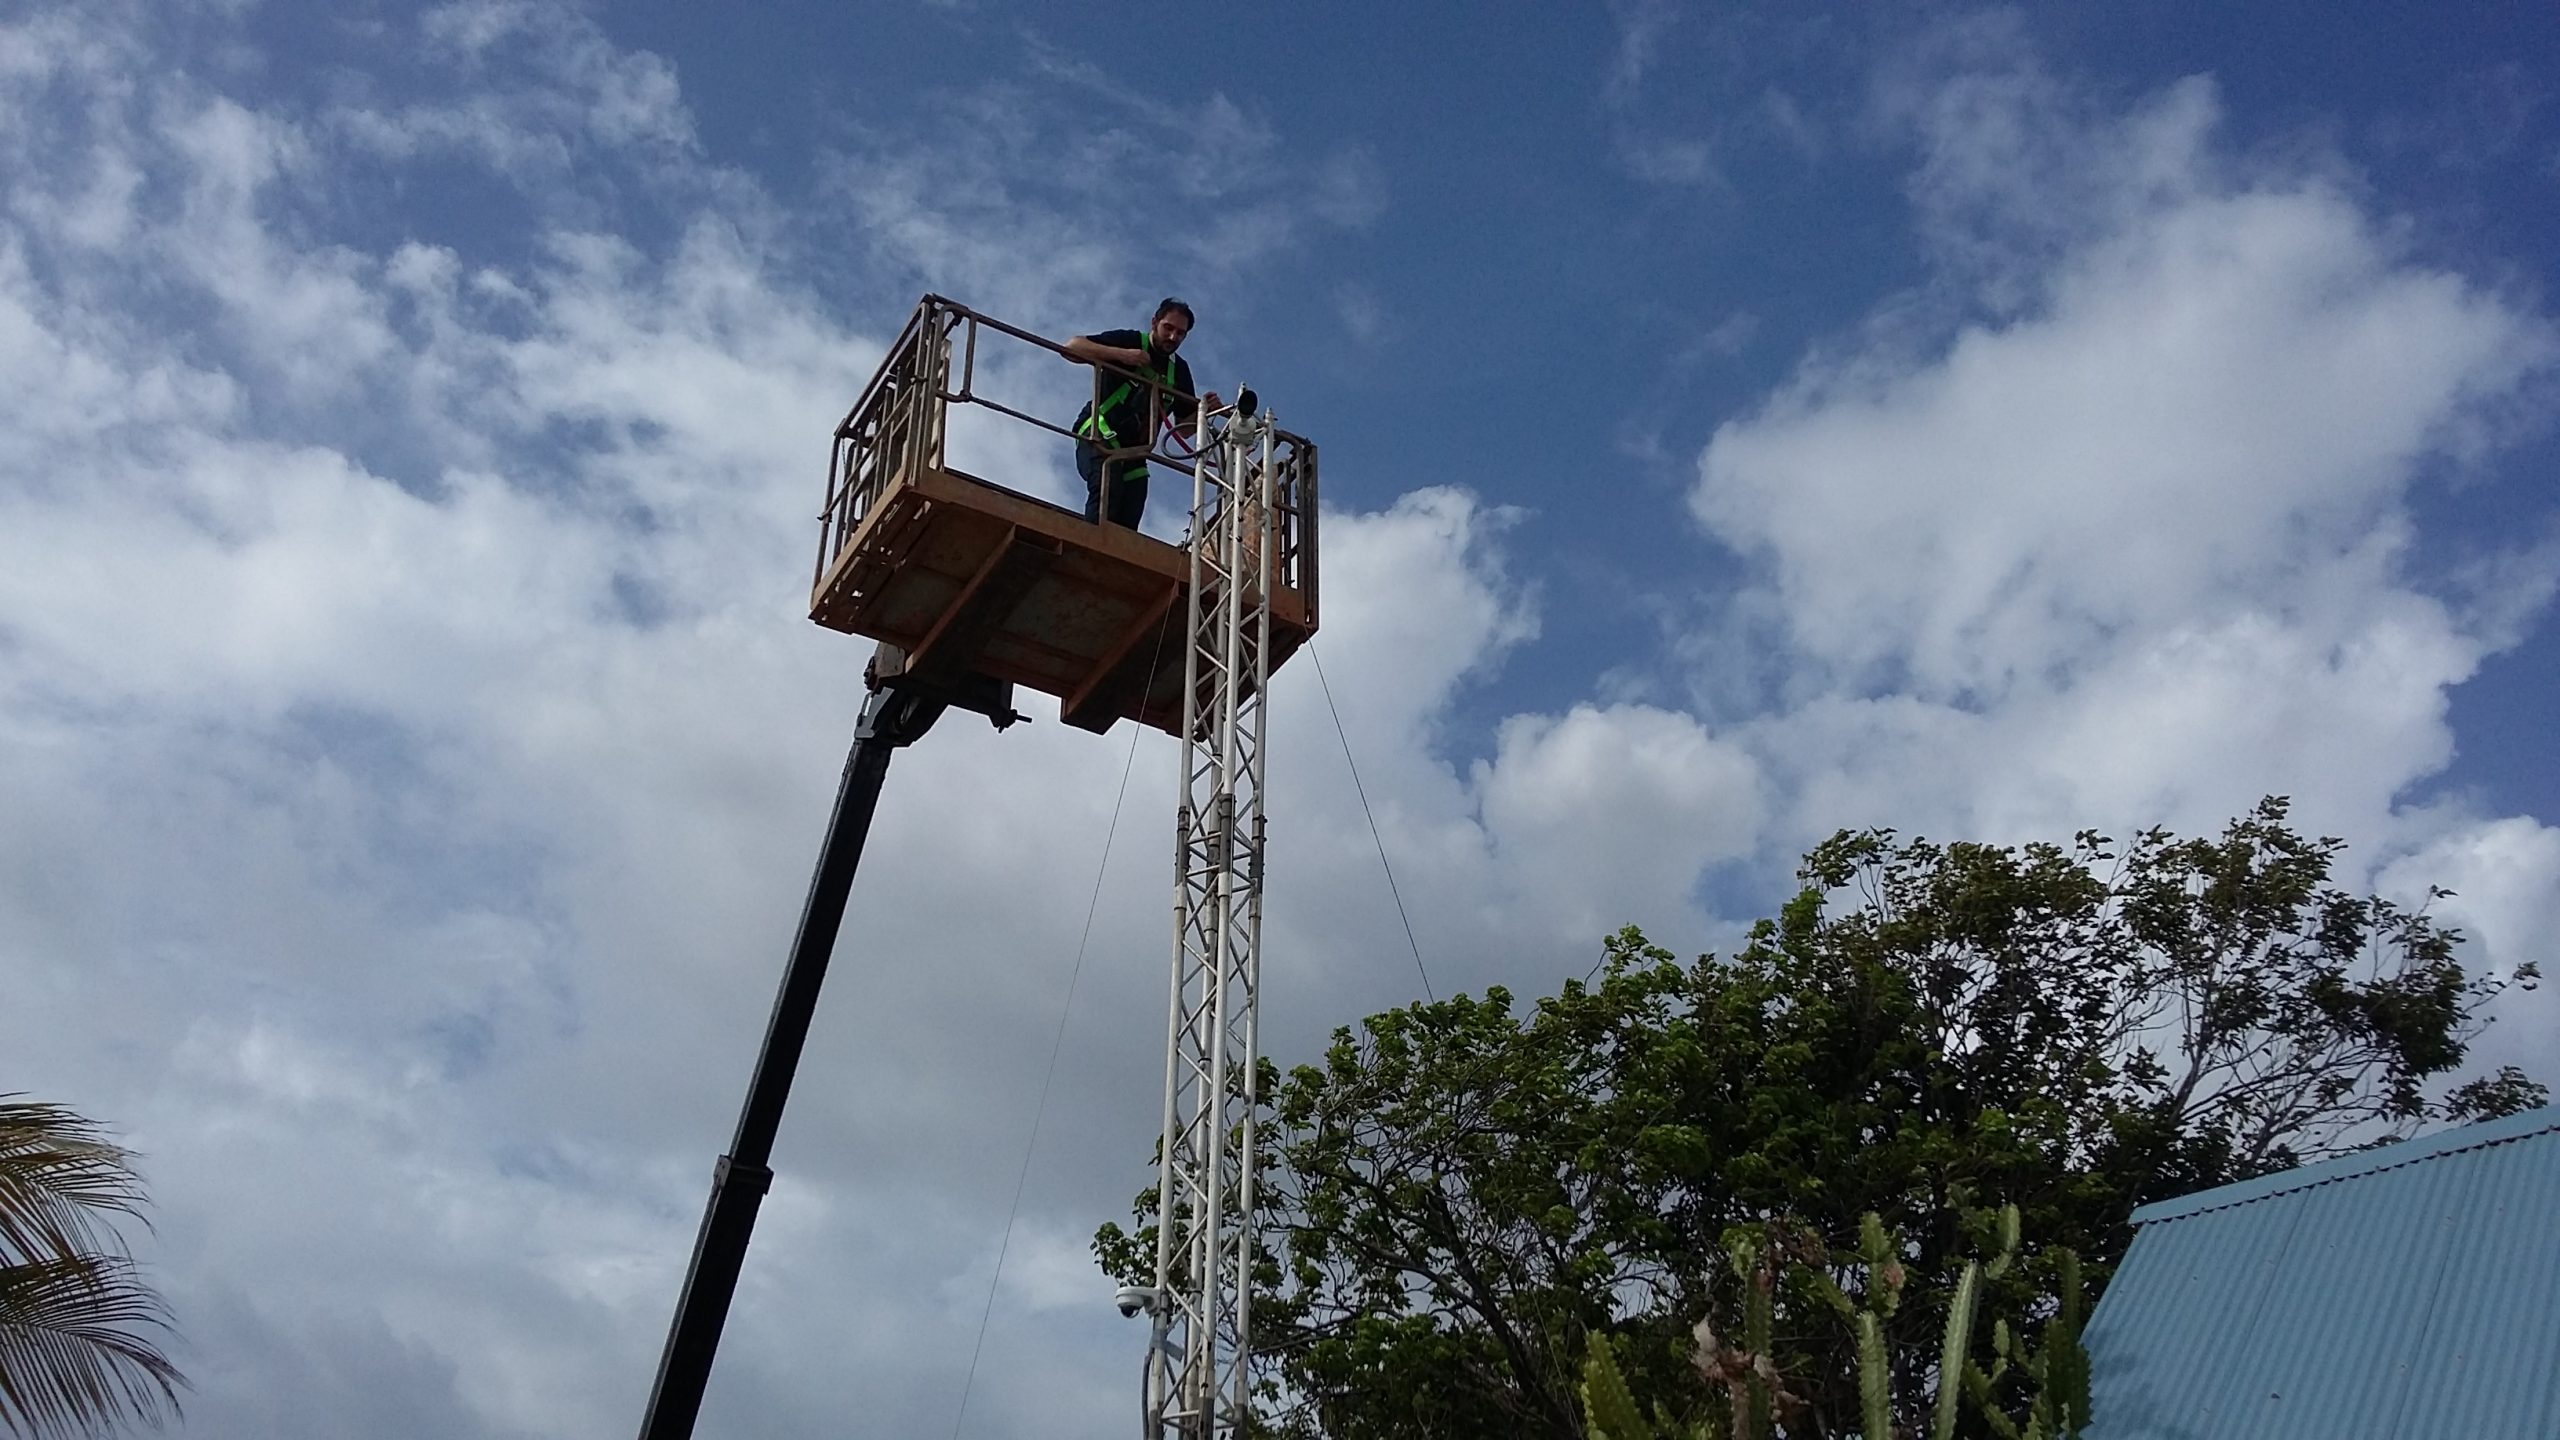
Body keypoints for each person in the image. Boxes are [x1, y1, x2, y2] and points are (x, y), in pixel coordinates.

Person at [1063, 298, 1220, 530]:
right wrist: (1121, 355)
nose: (1173, 337)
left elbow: (1184, 430)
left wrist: (1203, 412)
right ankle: (1088, 545)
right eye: (1168, 328)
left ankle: (1113, 561)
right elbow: (1072, 348)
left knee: (1133, 502)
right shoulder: (1131, 341)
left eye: (1180, 333)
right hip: (1099, 431)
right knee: (1108, 485)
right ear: (1154, 322)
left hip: (1134, 452)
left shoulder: (1179, 371)